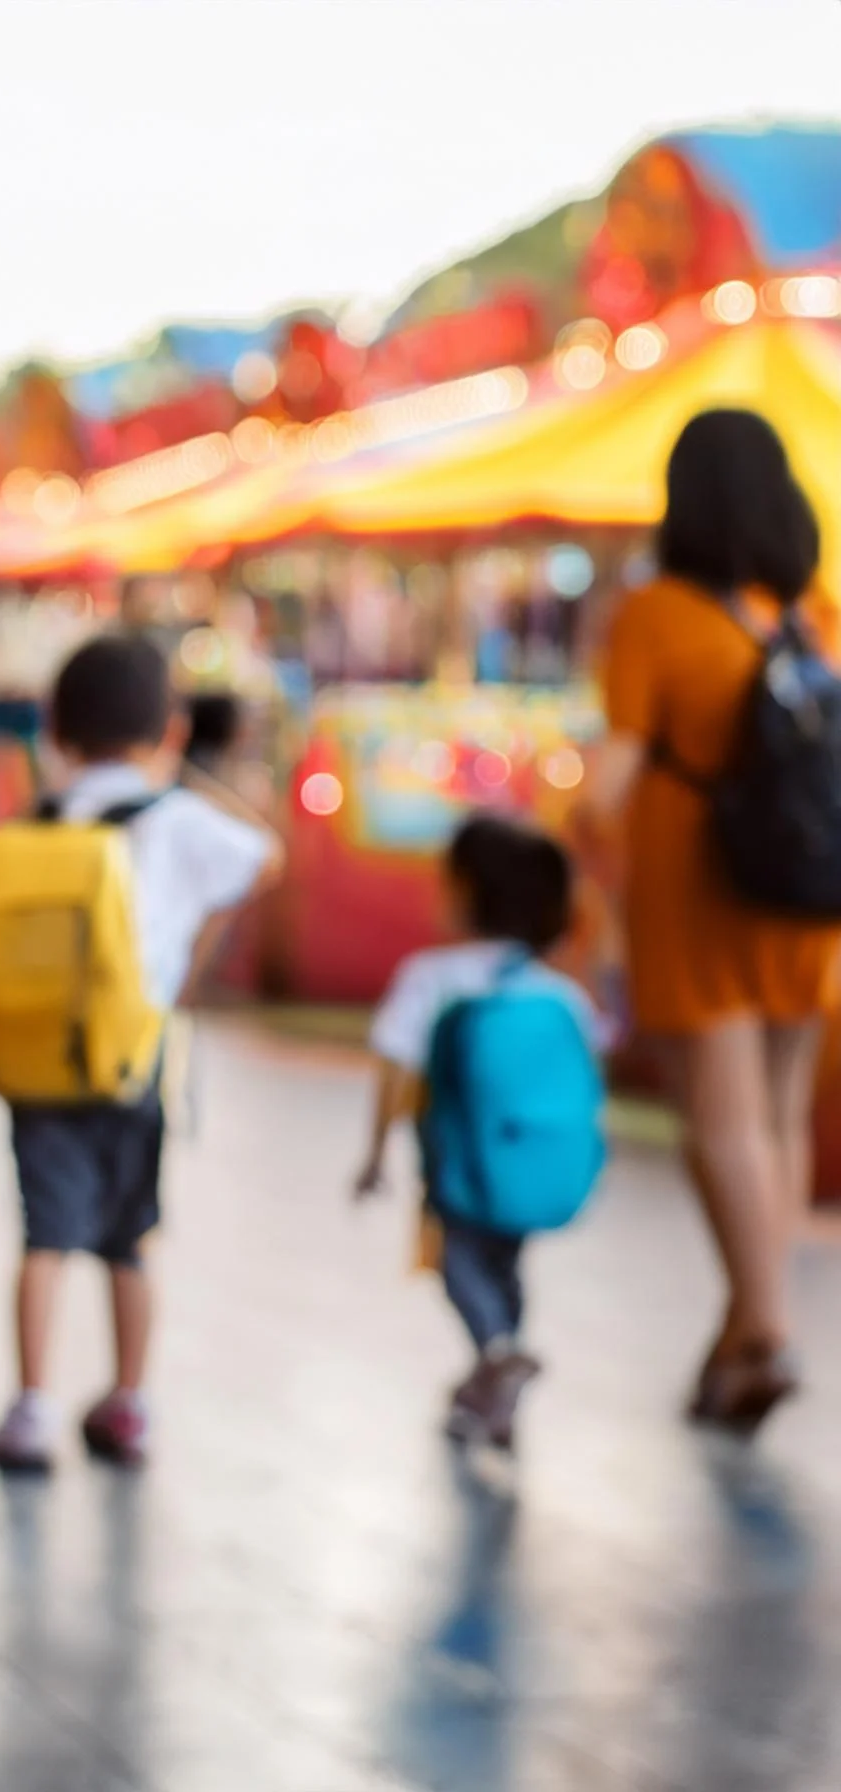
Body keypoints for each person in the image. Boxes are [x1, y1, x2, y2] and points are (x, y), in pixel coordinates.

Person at [579, 407, 840, 1432]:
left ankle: (764, 1330)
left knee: (721, 1124)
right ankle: (740, 1335)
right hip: (812, 897)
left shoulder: (654, 617)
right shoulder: (811, 610)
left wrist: (574, 830)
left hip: (701, 896)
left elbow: (613, 776)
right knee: (777, 1120)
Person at [0, 633, 282, 1471]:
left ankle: (31, 1407)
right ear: (171, 730)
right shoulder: (180, 819)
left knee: (43, 1238)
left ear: (56, 728)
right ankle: (128, 1402)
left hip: (39, 1061)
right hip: (132, 1064)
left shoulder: (43, 813)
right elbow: (267, 858)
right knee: (129, 1239)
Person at [354, 814, 601, 1447]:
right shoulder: (559, 992)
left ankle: (496, 1353)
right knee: (508, 1266)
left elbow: (395, 1065)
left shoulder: (434, 976)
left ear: (467, 891)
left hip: (457, 1163)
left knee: (456, 1262)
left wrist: (375, 1152)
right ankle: (498, 1386)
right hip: (525, 1168)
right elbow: (593, 1060)